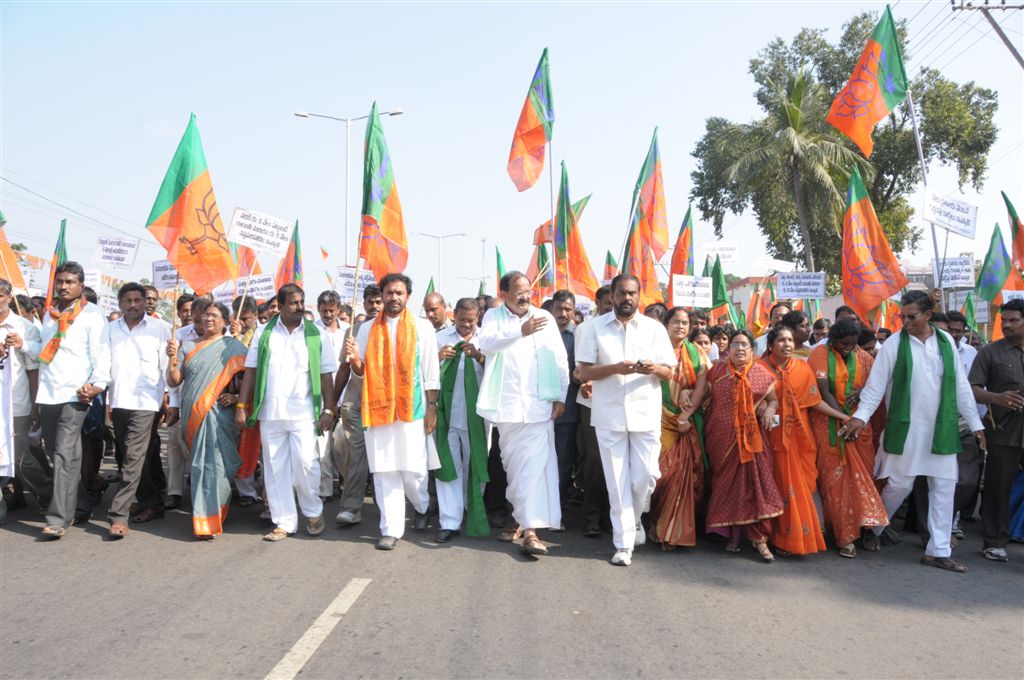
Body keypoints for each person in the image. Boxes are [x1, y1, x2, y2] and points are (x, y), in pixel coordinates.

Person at [843, 291, 984, 573]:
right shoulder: (895, 343)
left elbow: (961, 388)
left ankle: (938, 550)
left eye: (911, 316)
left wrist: (977, 425)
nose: (905, 322)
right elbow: (876, 386)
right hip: (905, 429)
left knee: (944, 487)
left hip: (940, 430)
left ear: (928, 315)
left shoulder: (946, 342)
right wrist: (860, 416)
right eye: (902, 316)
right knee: (899, 485)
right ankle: (875, 526)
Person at [576, 275, 675, 566]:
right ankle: (623, 543)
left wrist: (651, 368)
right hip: (609, 415)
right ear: (614, 295)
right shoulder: (592, 328)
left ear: (639, 296)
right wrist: (615, 368)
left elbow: (669, 371)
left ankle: (634, 517)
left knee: (644, 475)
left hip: (645, 413)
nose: (627, 298)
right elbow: (584, 372)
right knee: (616, 483)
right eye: (622, 293)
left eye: (632, 293)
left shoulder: (654, 329)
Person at [477, 271, 568, 558]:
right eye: (518, 290)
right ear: (504, 293)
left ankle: (531, 531)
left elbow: (559, 358)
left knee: (535, 471)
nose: (525, 295)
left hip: (540, 406)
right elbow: (487, 344)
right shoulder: (494, 317)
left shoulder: (545, 317)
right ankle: (520, 517)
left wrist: (560, 395)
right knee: (515, 471)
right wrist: (520, 330)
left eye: (528, 290)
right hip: (507, 409)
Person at [236, 284, 338, 542]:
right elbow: (251, 371)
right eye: (293, 302)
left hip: (304, 413)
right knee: (275, 468)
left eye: (301, 301)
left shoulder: (316, 335)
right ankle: (284, 522)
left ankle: (313, 511)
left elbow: (327, 376)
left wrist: (328, 409)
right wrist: (241, 406)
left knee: (306, 464)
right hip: (271, 413)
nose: (299, 306)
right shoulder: (264, 333)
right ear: (279, 306)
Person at [346, 274, 440, 550]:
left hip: (412, 410)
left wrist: (432, 408)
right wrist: (354, 360)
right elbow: (361, 373)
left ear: (407, 296)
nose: (394, 297)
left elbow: (431, 373)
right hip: (378, 411)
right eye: (390, 293)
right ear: (383, 295)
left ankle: (423, 506)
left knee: (413, 470)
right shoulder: (366, 330)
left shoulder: (422, 328)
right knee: (385, 470)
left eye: (399, 293)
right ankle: (391, 528)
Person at [37, 262, 110, 539]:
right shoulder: (50, 313)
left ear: (81, 286)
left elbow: (101, 354)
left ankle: (58, 518)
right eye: (61, 281)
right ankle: (80, 505)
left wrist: (97, 386)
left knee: (64, 454)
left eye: (70, 282)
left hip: (75, 393)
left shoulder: (92, 315)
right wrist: (21, 343)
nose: (64, 286)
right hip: (48, 393)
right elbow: (44, 351)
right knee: (62, 455)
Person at [760, 325, 848, 556]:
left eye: (790, 340)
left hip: (799, 437)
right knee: (776, 486)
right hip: (770, 436)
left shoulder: (803, 368)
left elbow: (815, 401)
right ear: (770, 345)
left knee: (799, 488)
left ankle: (792, 539)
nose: (787, 344)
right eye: (781, 340)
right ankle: (772, 537)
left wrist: (843, 417)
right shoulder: (759, 368)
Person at [808, 319, 889, 558]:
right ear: (833, 340)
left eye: (853, 344)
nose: (849, 348)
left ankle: (865, 529)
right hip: (828, 425)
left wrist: (862, 395)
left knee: (862, 478)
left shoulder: (863, 357)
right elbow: (823, 391)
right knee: (836, 482)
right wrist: (844, 418)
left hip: (859, 428)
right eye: (845, 343)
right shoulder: (820, 354)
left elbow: (877, 385)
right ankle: (845, 536)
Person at [167, 302, 248, 539]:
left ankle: (211, 516)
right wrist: (171, 359)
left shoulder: (233, 347)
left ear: (225, 321)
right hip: (192, 415)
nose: (208, 319)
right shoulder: (188, 346)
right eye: (205, 315)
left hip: (219, 416)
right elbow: (174, 381)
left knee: (217, 466)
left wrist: (234, 398)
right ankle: (205, 517)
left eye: (213, 315)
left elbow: (247, 383)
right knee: (200, 466)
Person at [703, 329, 783, 561]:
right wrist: (689, 393)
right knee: (728, 487)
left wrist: (769, 408)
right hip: (721, 439)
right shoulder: (716, 370)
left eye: (744, 345)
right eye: (735, 344)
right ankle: (733, 537)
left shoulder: (760, 372)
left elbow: (773, 400)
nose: (739, 349)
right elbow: (704, 395)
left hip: (751, 442)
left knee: (756, 487)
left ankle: (760, 541)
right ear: (728, 349)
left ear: (752, 350)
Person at [102, 283, 171, 537]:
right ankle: (152, 502)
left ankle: (118, 515)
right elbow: (105, 365)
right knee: (127, 455)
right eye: (127, 300)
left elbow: (167, 368)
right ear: (120, 304)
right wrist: (105, 396)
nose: (133, 305)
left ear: (146, 302)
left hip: (146, 403)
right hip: (119, 400)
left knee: (132, 456)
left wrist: (169, 400)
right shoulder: (110, 329)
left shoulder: (160, 329)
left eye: (137, 300)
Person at [969, 298, 1024, 563]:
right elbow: (972, 389)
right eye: (1005, 321)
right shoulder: (991, 352)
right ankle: (994, 542)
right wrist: (997, 398)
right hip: (1003, 432)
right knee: (997, 487)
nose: (1008, 325)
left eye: (1014, 320)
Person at [648, 307, 707, 550]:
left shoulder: (698, 352)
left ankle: (670, 532)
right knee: (662, 474)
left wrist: (686, 414)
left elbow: (703, 386)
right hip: (656, 418)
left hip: (687, 420)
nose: (680, 326)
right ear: (666, 324)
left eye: (685, 323)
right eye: (676, 322)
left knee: (686, 473)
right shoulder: (653, 348)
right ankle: (655, 522)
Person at [433, 297, 487, 543]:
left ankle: (471, 509)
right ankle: (449, 521)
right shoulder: (441, 339)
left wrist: (479, 357)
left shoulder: (486, 339)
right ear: (454, 315)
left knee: (475, 466)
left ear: (478, 318)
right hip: (447, 415)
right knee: (448, 467)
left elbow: (499, 372)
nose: (466, 325)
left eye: (471, 320)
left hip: (477, 417)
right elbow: (424, 372)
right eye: (462, 320)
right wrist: (438, 358)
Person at [333, 284, 383, 527]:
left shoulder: (395, 331)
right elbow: (344, 368)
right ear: (363, 304)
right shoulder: (353, 331)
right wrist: (331, 404)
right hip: (356, 403)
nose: (374, 306)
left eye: (378, 301)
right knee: (355, 456)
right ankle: (351, 508)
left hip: (385, 405)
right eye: (370, 302)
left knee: (386, 458)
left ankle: (390, 510)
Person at [0, 279, 46, 518]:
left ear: (9, 298)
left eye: (0, 295)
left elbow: (35, 367)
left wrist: (35, 407)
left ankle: (50, 495)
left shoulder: (23, 327)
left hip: (16, 405)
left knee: (20, 460)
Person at [165, 296, 214, 510]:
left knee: (204, 451)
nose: (199, 325)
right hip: (183, 401)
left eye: (204, 320)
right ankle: (174, 492)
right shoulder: (180, 337)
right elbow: (174, 378)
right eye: (195, 321)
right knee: (175, 445)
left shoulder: (223, 338)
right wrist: (174, 404)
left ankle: (205, 496)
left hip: (212, 405)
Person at [577, 285, 613, 537]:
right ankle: (592, 516)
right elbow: (578, 369)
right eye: (607, 303)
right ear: (598, 304)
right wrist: (584, 380)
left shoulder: (634, 330)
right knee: (596, 460)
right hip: (591, 404)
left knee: (618, 461)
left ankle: (615, 516)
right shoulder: (586, 329)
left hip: (622, 404)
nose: (612, 308)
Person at [313, 290, 350, 500]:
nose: (328, 314)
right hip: (321, 398)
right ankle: (325, 489)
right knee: (322, 447)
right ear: (318, 309)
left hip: (346, 397)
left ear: (339, 310)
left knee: (343, 443)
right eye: (324, 310)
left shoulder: (349, 331)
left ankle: (346, 481)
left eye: (332, 310)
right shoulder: (312, 332)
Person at [550, 289, 579, 515]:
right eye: (559, 308)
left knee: (562, 462)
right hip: (538, 410)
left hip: (567, 411)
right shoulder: (539, 334)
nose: (563, 313)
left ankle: (556, 509)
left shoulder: (580, 337)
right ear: (551, 309)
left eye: (567, 309)